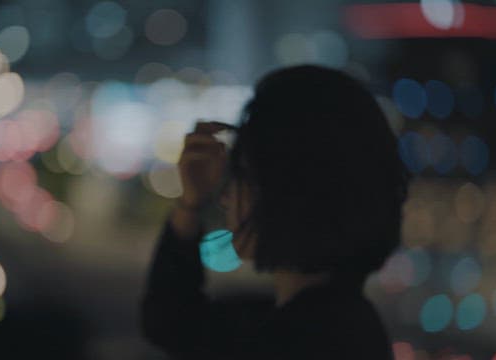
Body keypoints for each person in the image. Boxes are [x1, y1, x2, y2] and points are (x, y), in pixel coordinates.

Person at [140, 65, 408, 359]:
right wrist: (190, 203)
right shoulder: (327, 322)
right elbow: (171, 324)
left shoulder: (295, 340)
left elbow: (175, 327)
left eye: (241, 174)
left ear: (287, 191)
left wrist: (191, 206)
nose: (226, 196)